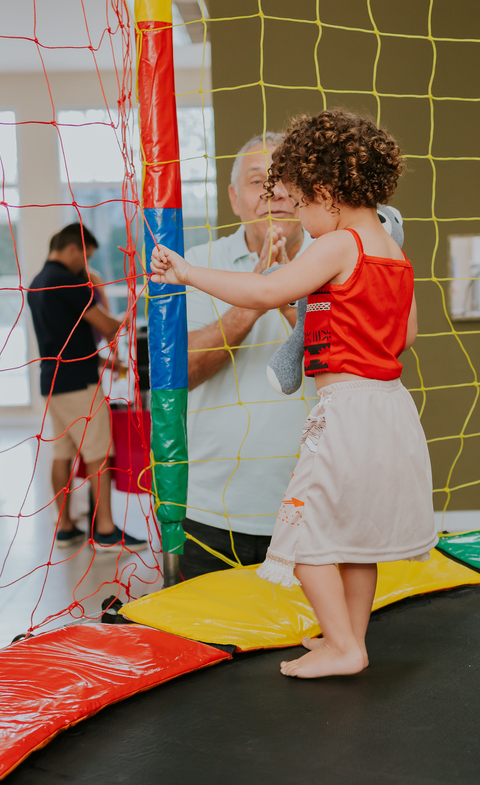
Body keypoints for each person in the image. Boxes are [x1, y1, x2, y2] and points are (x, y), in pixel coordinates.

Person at [151, 110, 436, 679]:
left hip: (345, 411)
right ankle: (351, 637)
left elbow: (268, 288)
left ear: (328, 191)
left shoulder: (338, 245)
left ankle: (343, 647)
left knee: (304, 536)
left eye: (300, 202)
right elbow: (397, 335)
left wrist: (186, 273)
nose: (297, 213)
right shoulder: (392, 254)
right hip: (390, 408)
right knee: (354, 543)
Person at [180, 133, 312, 579]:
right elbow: (184, 371)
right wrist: (257, 296)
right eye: (260, 181)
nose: (275, 192)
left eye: (287, 180)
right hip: (213, 515)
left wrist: (287, 293)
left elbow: (356, 361)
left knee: (312, 645)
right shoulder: (198, 264)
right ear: (235, 198)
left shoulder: (336, 261)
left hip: (317, 509)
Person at [28, 224, 129, 548]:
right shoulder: (69, 281)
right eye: (85, 256)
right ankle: (105, 529)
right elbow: (106, 326)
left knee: (63, 454)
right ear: (73, 249)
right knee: (99, 454)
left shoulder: (37, 283)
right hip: (79, 385)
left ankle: (66, 527)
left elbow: (64, 341)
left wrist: (105, 363)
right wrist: (136, 318)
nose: (85, 265)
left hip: (52, 382)